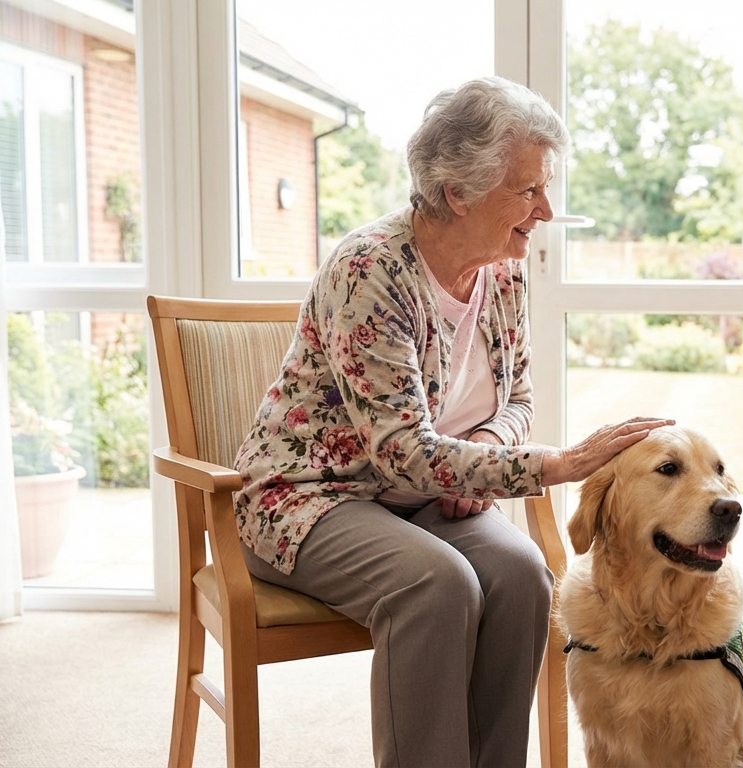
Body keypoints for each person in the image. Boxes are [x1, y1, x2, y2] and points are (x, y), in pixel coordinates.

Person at [234, 77, 671, 768]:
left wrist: (491, 447)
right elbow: (402, 451)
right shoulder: (370, 269)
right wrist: (551, 465)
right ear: (458, 191)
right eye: (527, 190)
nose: (546, 210)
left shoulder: (503, 270)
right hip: (313, 497)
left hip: (429, 498)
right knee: (435, 584)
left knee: (524, 574)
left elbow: (518, 396)